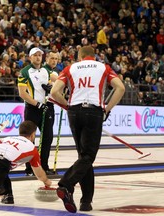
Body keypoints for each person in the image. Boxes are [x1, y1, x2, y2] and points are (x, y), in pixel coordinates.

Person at [50, 46, 125, 213]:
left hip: (74, 111)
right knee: (88, 156)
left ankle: (86, 201)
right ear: (94, 56)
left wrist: (67, 106)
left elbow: (55, 91)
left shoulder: (71, 68)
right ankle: (66, 184)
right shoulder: (103, 67)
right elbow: (120, 87)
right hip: (93, 111)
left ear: (80, 57)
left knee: (84, 157)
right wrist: (107, 109)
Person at [17, 47, 58, 176]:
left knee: (47, 138)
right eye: (35, 55)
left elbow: (58, 81)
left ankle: (44, 166)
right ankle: (29, 168)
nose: (38, 57)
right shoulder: (24, 72)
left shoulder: (47, 70)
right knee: (29, 139)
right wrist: (38, 104)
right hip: (33, 108)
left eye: (40, 55)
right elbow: (22, 94)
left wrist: (51, 87)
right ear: (30, 57)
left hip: (47, 108)